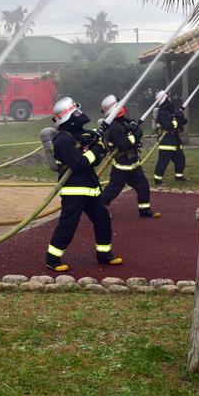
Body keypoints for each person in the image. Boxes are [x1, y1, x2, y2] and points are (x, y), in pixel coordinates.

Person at [45, 97, 122, 272]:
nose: (80, 115)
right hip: (75, 189)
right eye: (76, 112)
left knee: (102, 220)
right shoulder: (62, 141)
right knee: (68, 224)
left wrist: (93, 140)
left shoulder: (77, 134)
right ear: (69, 118)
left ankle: (104, 254)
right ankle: (52, 258)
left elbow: (89, 154)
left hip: (90, 188)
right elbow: (79, 163)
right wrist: (97, 149)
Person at [99, 95, 159, 219]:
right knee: (113, 189)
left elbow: (136, 128)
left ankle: (144, 210)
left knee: (143, 186)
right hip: (122, 166)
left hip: (133, 164)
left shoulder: (123, 120)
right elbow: (123, 145)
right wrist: (134, 135)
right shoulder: (113, 126)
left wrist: (134, 126)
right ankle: (99, 209)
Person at [152, 91, 188, 184]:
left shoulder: (172, 110)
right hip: (166, 140)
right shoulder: (162, 112)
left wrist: (180, 117)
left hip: (175, 139)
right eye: (168, 98)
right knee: (163, 161)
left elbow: (184, 121)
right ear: (164, 99)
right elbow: (168, 126)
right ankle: (158, 179)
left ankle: (179, 176)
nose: (170, 99)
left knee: (180, 158)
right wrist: (177, 121)